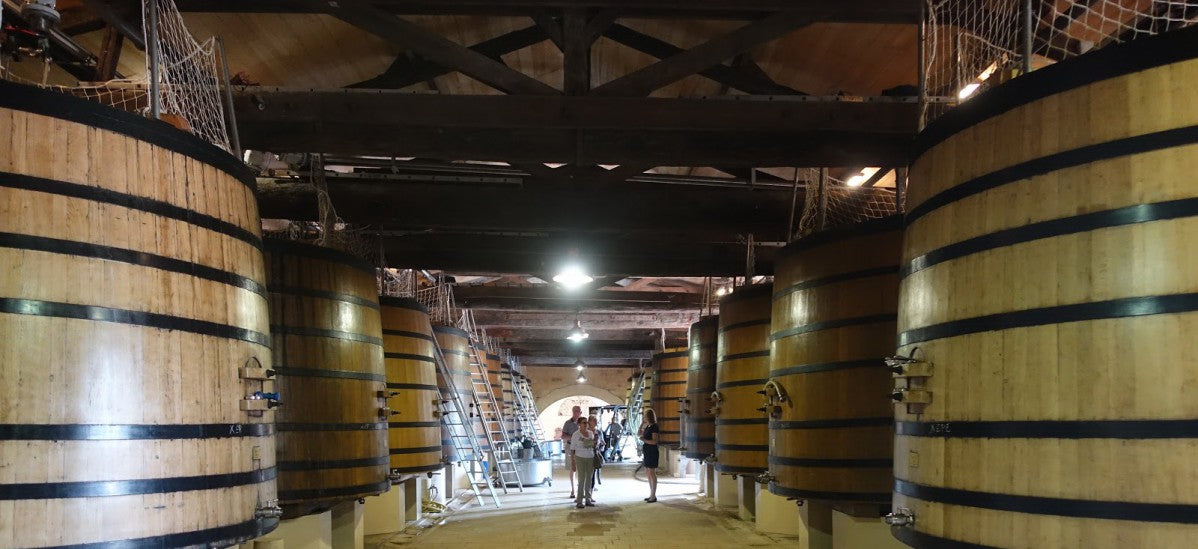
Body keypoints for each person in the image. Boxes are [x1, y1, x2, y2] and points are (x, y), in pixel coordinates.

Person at [569, 416, 598, 508]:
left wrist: (595, 443)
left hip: (590, 457)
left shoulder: (590, 433)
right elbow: (572, 449)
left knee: (589, 479)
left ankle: (588, 499)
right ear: (579, 424)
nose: (586, 424)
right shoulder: (576, 435)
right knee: (581, 479)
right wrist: (572, 462)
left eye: (587, 423)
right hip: (580, 457)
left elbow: (593, 445)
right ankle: (579, 501)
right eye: (584, 423)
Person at [560, 405, 582, 498]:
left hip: (581, 448)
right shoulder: (568, 423)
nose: (577, 413)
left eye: (579, 411)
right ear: (573, 412)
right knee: (572, 468)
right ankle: (573, 489)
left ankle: (581, 488)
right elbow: (563, 436)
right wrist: (573, 437)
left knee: (581, 469)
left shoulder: (583, 422)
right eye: (575, 411)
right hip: (570, 447)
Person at [641, 408, 660, 503]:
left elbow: (654, 441)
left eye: (645, 416)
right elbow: (638, 433)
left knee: (652, 472)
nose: (644, 417)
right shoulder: (648, 426)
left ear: (649, 417)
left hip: (652, 451)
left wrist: (644, 440)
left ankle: (653, 495)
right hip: (647, 451)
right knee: (648, 472)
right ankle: (651, 494)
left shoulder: (654, 427)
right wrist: (642, 424)